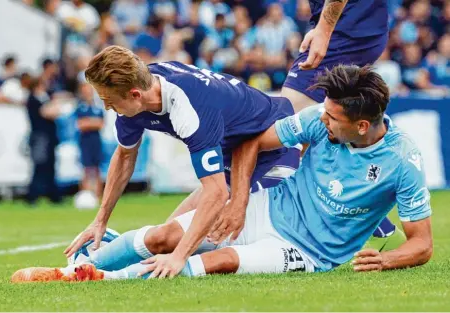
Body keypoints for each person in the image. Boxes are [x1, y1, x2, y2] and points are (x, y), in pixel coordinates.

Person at [11, 65, 433, 282]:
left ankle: (97, 281)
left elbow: (423, 244)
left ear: (363, 126)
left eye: (334, 118)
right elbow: (253, 141)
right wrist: (242, 198)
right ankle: (71, 271)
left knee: (215, 261)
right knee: (164, 235)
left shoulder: (403, 162)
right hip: (268, 209)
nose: (324, 120)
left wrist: (388, 260)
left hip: (307, 253)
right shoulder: (316, 119)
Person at [62, 45, 301, 267]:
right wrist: (100, 221)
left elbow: (216, 193)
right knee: (163, 238)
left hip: (273, 152)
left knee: (198, 243)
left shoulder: (188, 107)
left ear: (135, 95)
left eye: (108, 101)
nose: (106, 107)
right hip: (236, 156)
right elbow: (125, 156)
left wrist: (179, 257)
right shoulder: (139, 87)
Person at [271, 0, 404, 250]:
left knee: (283, 130)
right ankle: (377, 223)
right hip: (354, 26)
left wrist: (324, 29)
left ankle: (259, 221)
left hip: (346, 28)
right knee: (321, 127)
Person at [75, 75, 104, 198]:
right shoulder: (80, 107)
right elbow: (81, 125)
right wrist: (93, 122)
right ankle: (85, 195)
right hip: (85, 141)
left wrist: (89, 122)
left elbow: (101, 124)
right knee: (86, 170)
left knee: (97, 170)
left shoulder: (98, 108)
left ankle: (98, 196)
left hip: (96, 140)